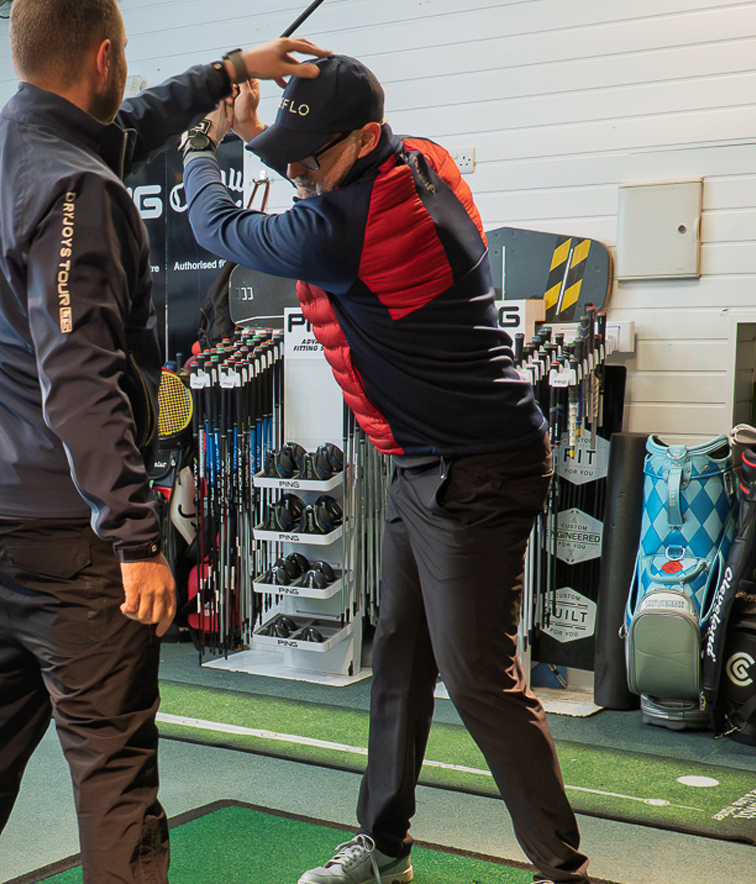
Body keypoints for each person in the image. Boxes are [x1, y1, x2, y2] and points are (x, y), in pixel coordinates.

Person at [0, 0, 326, 884]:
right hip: (74, 540)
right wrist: (135, 537)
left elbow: (130, 125)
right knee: (113, 768)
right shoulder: (78, 190)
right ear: (102, 55)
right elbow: (81, 380)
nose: (128, 71)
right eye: (124, 54)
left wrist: (230, 71)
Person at [177, 56, 592, 884]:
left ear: (365, 140)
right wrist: (269, 134)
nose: (298, 174)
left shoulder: (342, 228)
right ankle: (387, 849)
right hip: (424, 467)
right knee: (398, 651)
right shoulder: (421, 159)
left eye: (312, 158)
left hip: (478, 472)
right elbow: (315, 165)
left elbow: (216, 228)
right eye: (291, 155)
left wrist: (203, 143)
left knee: (478, 680)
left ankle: (562, 871)